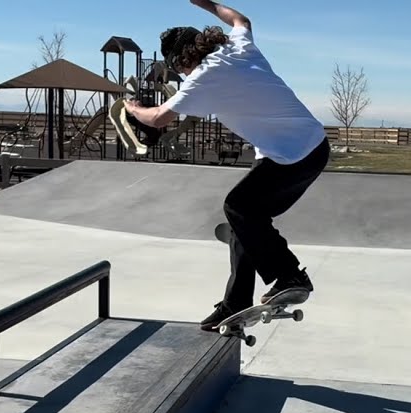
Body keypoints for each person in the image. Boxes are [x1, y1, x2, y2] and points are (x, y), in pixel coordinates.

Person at [125, 0, 331, 331]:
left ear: (182, 61)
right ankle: (235, 303)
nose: (183, 76)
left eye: (180, 70)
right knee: (244, 223)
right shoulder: (238, 46)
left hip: (292, 157)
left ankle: (289, 275)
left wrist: (133, 108)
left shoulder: (202, 78)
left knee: (239, 208)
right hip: (314, 148)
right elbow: (240, 18)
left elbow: (160, 117)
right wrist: (204, 3)